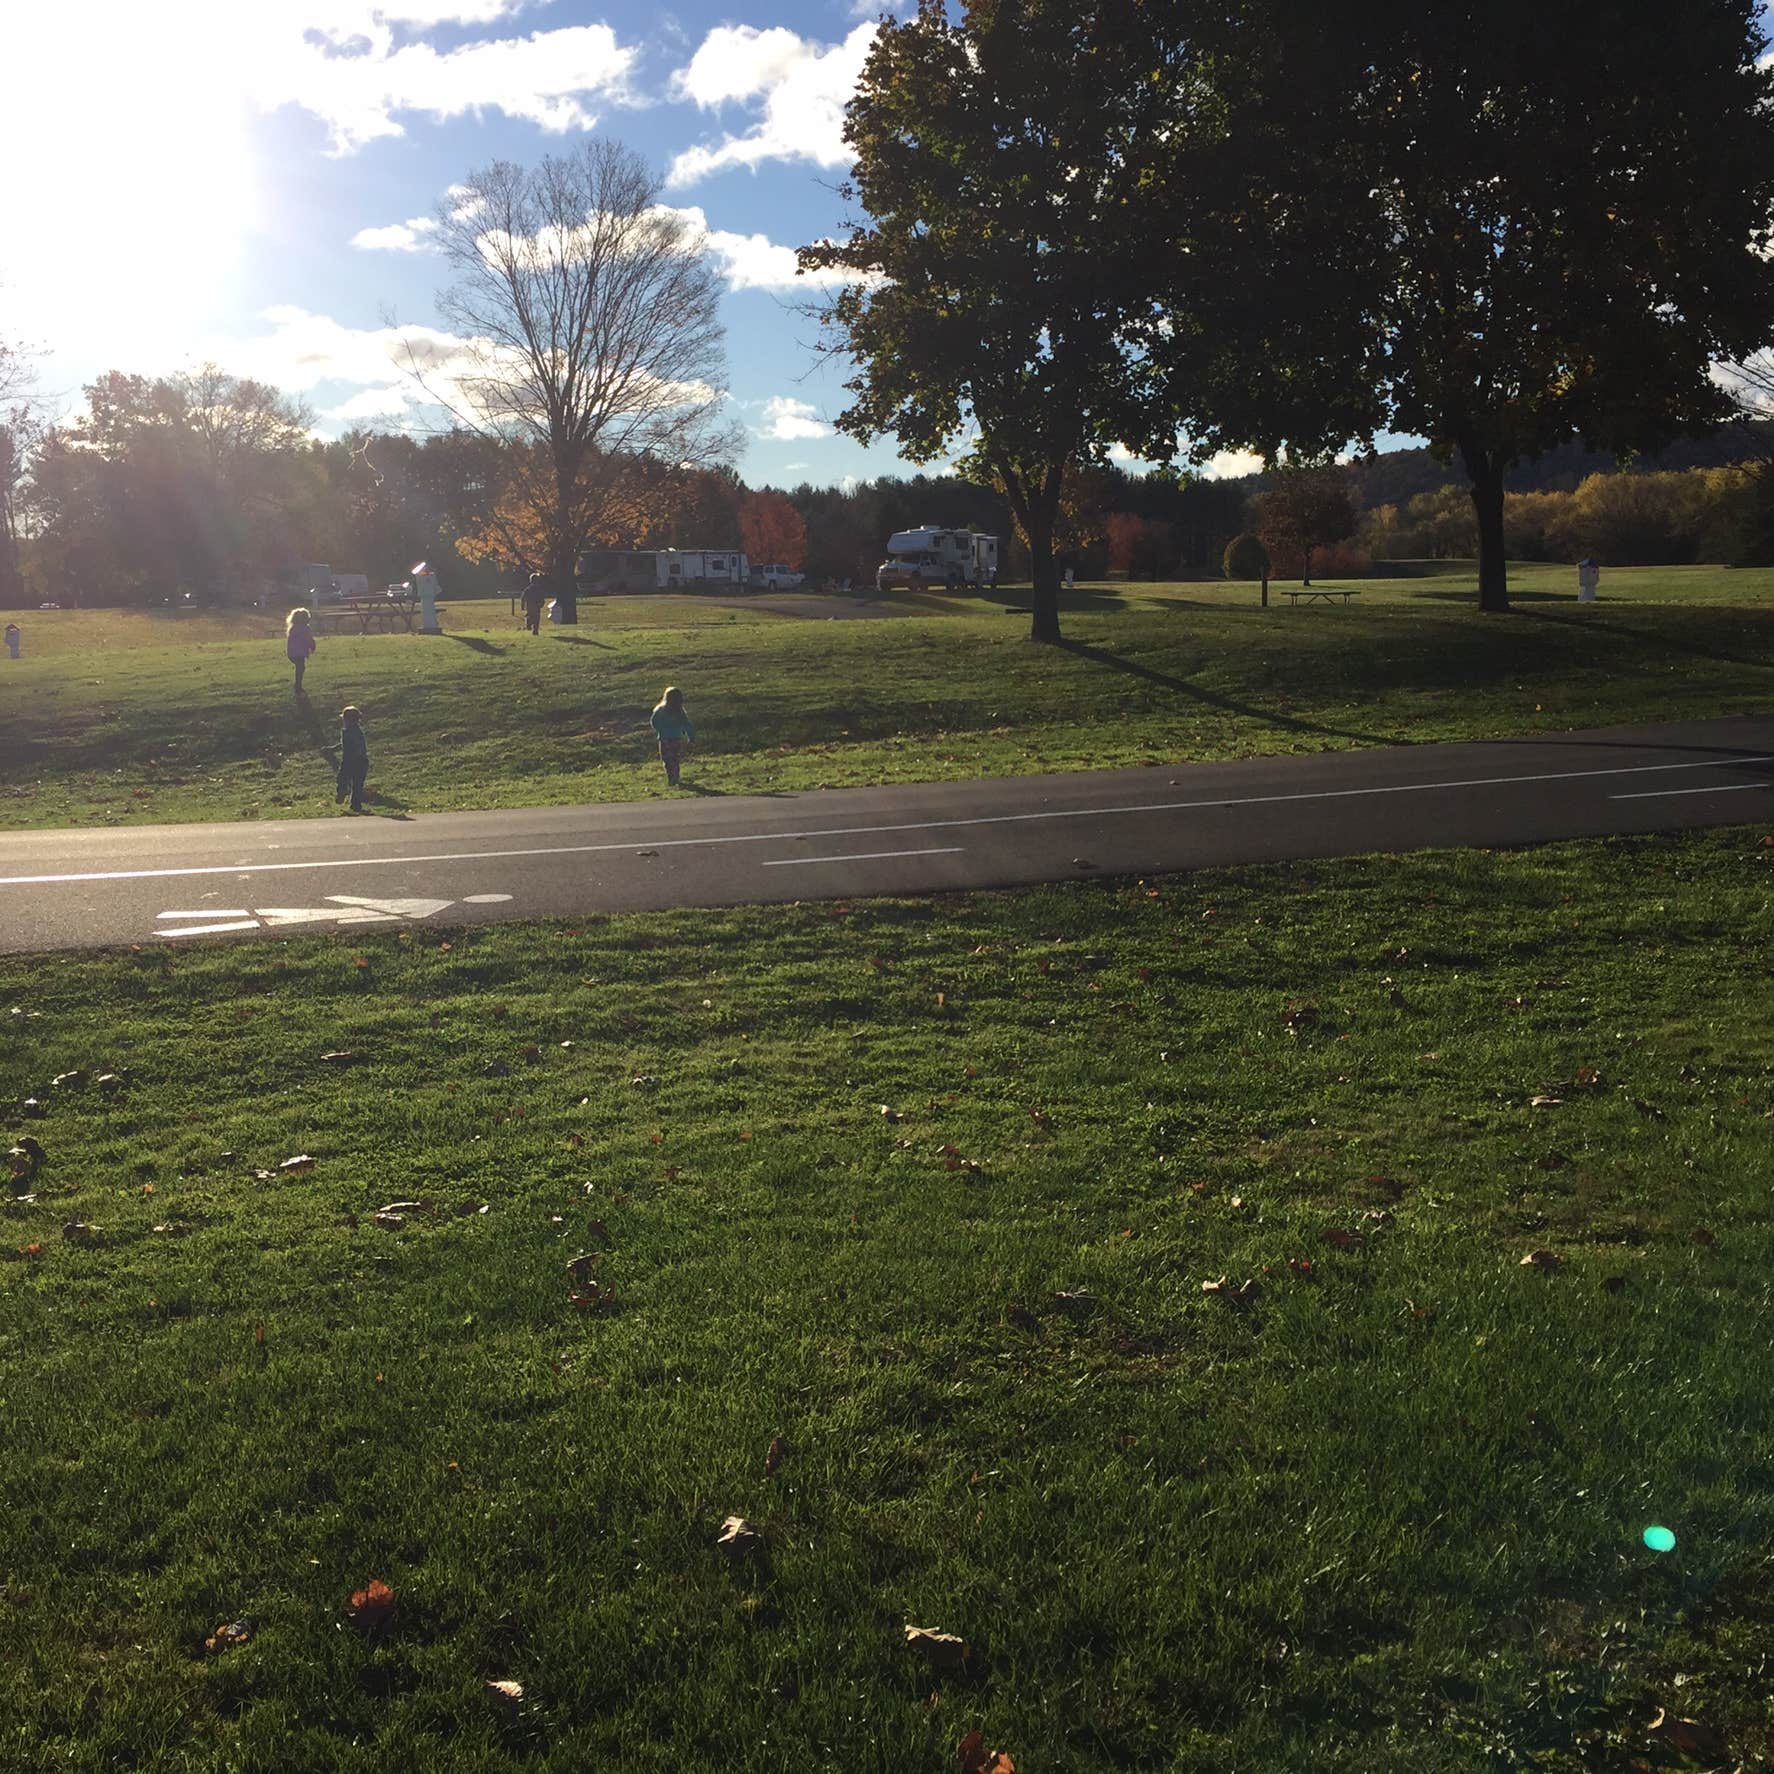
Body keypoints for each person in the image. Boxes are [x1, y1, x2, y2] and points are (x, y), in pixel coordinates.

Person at [649, 685, 696, 789]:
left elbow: (654, 721)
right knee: (675, 759)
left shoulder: (660, 710)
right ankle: (675, 776)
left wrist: (659, 729)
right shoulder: (680, 712)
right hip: (677, 738)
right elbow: (687, 724)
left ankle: (671, 778)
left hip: (664, 738)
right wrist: (691, 737)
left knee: (667, 759)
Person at [336, 706, 369, 812]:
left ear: (348, 720)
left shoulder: (351, 731)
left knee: (344, 779)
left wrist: (356, 755)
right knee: (357, 784)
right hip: (360, 760)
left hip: (353, 760)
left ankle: (344, 793)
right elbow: (344, 744)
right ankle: (355, 804)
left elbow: (358, 745)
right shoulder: (352, 731)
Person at [285, 607, 316, 694]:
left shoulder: (292, 628)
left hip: (292, 653)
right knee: (300, 668)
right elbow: (308, 639)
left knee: (300, 667)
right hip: (299, 652)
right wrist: (312, 645)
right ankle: (298, 685)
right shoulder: (305, 628)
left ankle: (298, 684)